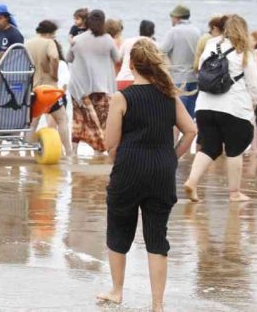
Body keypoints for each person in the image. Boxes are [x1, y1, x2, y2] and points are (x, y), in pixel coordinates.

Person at [97, 39, 197, 311]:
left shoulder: (122, 97)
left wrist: (123, 160)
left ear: (130, 65)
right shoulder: (169, 95)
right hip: (162, 172)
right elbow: (190, 131)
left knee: (119, 229)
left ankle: (117, 291)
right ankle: (157, 304)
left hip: (129, 168)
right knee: (156, 237)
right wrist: (171, 157)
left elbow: (110, 144)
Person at [183, 15, 257, 202]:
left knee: (209, 146)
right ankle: (234, 193)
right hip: (233, 106)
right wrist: (254, 103)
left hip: (205, 106)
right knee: (235, 149)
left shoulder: (211, 45)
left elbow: (201, 69)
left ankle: (192, 182)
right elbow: (253, 83)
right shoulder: (244, 51)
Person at [67, 10, 119, 155]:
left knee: (78, 118)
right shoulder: (108, 39)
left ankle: (74, 151)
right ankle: (98, 150)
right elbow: (117, 57)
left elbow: (68, 58)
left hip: (79, 86)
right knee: (102, 120)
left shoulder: (77, 39)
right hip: (100, 86)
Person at [26, 20, 72, 156]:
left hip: (33, 89)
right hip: (48, 89)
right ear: (50, 33)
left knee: (32, 124)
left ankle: (28, 152)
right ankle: (68, 152)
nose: (54, 38)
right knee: (62, 119)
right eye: (54, 35)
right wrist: (53, 73)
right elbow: (54, 57)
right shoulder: (48, 42)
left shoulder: (27, 44)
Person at [159, 5, 202, 118]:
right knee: (192, 115)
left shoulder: (173, 31)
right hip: (194, 76)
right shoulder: (197, 31)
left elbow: (161, 50)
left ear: (177, 17)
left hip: (178, 77)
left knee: (179, 115)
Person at [116, 20, 157, 91]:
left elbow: (118, 59)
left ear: (139, 30)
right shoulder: (154, 44)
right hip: (141, 83)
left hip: (121, 80)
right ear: (153, 32)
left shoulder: (127, 41)